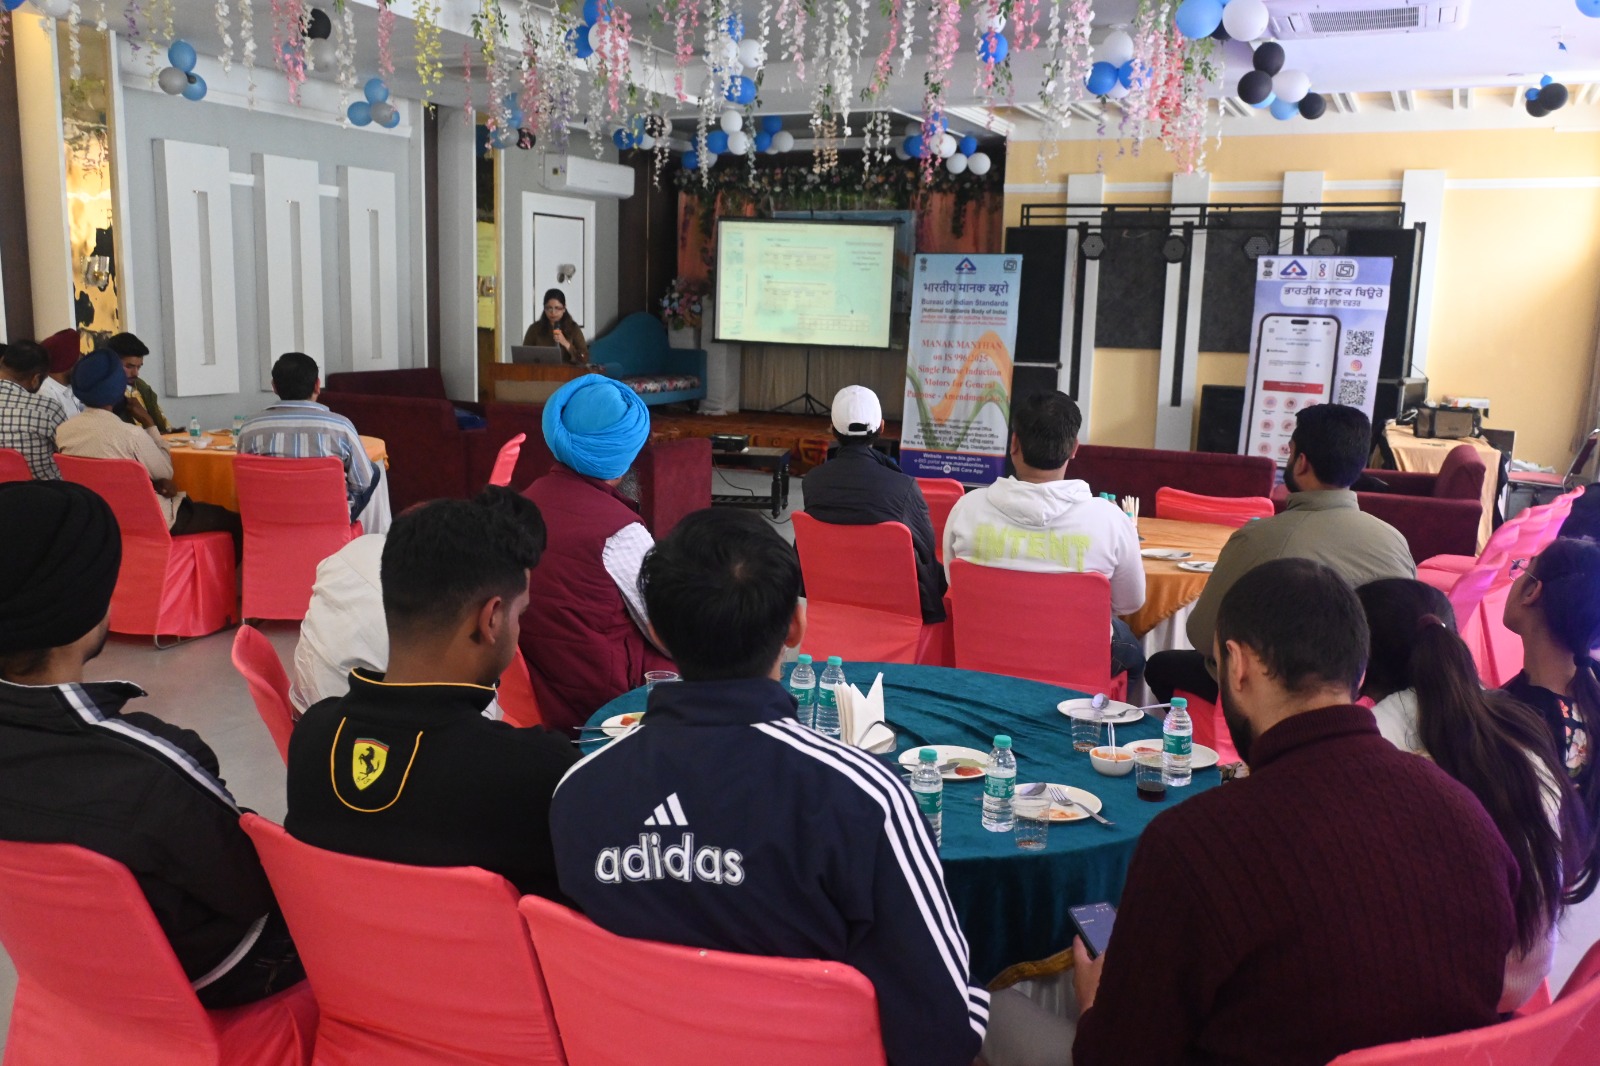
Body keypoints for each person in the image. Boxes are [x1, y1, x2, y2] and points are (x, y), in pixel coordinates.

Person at [550, 508, 989, 1066]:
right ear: (796, 628)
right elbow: (945, 1032)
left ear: (655, 630)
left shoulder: (577, 794)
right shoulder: (865, 801)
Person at [1069, 558, 1518, 1066]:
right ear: (1359, 672)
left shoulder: (1193, 844)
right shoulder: (1467, 813)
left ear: (1237, 665)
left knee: (1007, 1013)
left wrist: (1091, 1007)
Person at [0, 481, 303, 1007]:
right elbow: (253, 888)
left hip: (67, 970)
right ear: (81, 608)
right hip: (207, 977)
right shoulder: (149, 770)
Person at [286, 488, 578, 899]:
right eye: (520, 614)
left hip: (341, 941)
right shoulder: (537, 772)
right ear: (492, 618)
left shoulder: (312, 739)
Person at [1358, 578, 1584, 1012]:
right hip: (1524, 978)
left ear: (1360, 666)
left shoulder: (1373, 743)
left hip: (1436, 999)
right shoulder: (1517, 721)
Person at [1145, 403, 1415, 705]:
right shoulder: (1394, 539)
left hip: (1285, 698)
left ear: (1301, 462)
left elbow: (1204, 635)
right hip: (1373, 697)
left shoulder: (1262, 538)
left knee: (1160, 665)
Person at [942, 390, 1145, 681]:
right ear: (1074, 448)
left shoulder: (966, 509)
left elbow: (955, 583)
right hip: (1077, 666)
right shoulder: (1110, 520)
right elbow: (1130, 602)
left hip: (985, 660)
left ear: (1014, 443)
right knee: (1134, 651)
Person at [520, 374, 674, 734]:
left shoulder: (519, 505)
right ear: (627, 452)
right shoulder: (621, 533)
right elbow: (669, 634)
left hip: (531, 694)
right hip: (607, 708)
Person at [56, 349, 242, 543]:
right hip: (152, 519)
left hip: (100, 518)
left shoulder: (64, 432)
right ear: (118, 388)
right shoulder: (131, 434)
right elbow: (166, 471)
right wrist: (149, 422)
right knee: (233, 520)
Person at [1502, 536, 1600, 903]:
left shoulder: (1513, 720)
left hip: (1522, 898)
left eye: (1522, 570)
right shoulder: (1590, 689)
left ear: (1533, 592)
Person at [802, 385, 946, 623]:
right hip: (892, 606)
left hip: (833, 597)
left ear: (833, 429)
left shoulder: (812, 482)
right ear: (881, 427)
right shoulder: (903, 486)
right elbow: (926, 546)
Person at [236, 352, 391, 535]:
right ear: (317, 385)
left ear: (274, 387)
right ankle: (342, 526)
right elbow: (363, 481)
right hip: (327, 519)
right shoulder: (340, 426)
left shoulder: (250, 428)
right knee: (373, 471)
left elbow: (244, 484)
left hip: (269, 518)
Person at [0, 342, 65, 479]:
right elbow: (68, 451)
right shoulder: (47, 409)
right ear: (35, 379)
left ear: (2, 361)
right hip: (45, 489)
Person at [107, 331, 171, 434]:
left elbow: (163, 426)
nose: (136, 373)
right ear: (111, 363)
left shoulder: (141, 387)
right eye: (129, 366)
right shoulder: (103, 394)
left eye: (139, 367)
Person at [522, 287, 590, 365]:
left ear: (564, 308)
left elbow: (584, 359)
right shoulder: (535, 329)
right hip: (541, 370)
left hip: (567, 371)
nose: (553, 312)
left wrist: (566, 343)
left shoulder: (573, 328)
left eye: (557, 308)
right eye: (549, 308)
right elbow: (524, 355)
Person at [36, 329, 84, 419]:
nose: (82, 367)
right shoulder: (46, 395)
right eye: (79, 361)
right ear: (67, 363)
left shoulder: (69, 388)